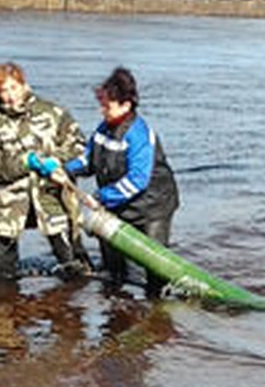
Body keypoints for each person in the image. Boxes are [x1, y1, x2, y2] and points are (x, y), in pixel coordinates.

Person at [65, 67, 179, 297]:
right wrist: (62, 167)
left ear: (126, 105)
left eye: (107, 106)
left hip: (152, 207)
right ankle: (117, 307)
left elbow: (137, 180)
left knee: (155, 268)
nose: (101, 110)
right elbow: (88, 160)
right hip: (116, 205)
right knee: (112, 269)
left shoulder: (139, 134)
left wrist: (100, 197)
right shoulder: (103, 130)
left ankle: (157, 311)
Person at [0, 61, 89, 282]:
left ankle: (74, 306)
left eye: (13, 88)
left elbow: (79, 146)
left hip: (51, 196)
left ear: (24, 85)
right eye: (2, 91)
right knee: (1, 276)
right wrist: (25, 161)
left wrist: (56, 160)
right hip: (6, 202)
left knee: (76, 269)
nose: (9, 96)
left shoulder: (53, 112)